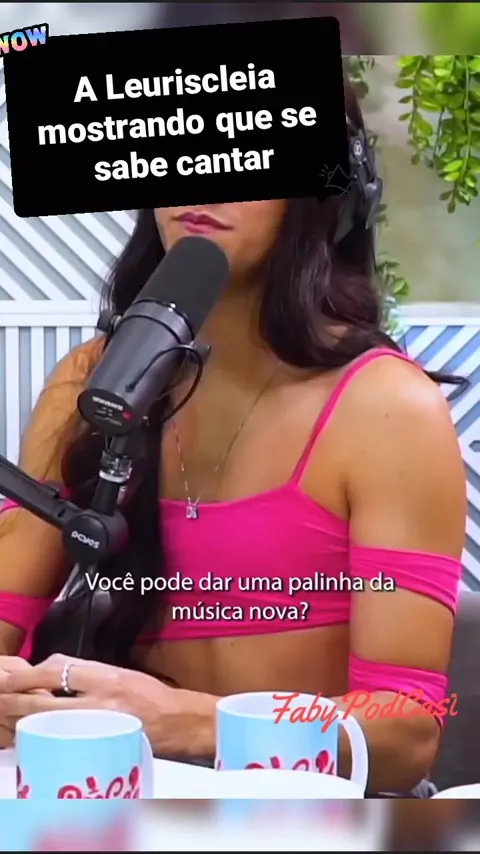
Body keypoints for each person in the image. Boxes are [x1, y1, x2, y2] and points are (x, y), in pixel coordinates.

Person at [0, 80, 466, 796]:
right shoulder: (91, 382)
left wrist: (188, 722)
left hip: (315, 811)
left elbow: (406, 733)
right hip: (122, 795)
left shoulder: (388, 410)